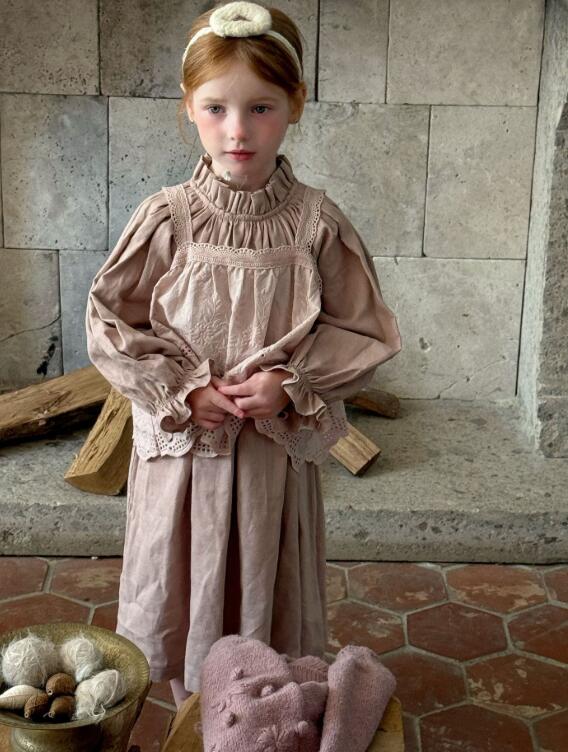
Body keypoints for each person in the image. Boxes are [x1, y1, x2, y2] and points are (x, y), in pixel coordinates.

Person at [85, 0, 401, 709]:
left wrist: (292, 382)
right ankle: (190, 715)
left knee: (261, 577)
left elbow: (365, 330)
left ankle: (254, 712)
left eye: (260, 108)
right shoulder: (168, 218)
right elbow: (109, 318)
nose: (237, 130)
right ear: (188, 107)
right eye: (216, 108)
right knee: (182, 582)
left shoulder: (316, 223)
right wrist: (179, 388)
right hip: (184, 460)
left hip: (267, 463)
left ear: (295, 104)